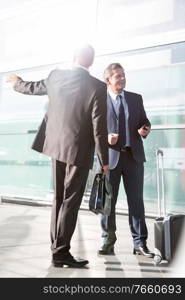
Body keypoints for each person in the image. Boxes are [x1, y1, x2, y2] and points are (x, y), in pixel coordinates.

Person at [7, 44, 109, 268]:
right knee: (70, 202)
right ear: (91, 62)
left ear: (73, 57)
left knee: (59, 199)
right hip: (78, 150)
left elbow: (32, 88)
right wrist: (105, 160)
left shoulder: (56, 76)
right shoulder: (97, 86)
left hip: (55, 146)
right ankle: (61, 252)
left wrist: (17, 83)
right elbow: (99, 127)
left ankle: (57, 247)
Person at [98, 63, 153, 257]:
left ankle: (139, 243)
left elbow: (144, 121)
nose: (122, 78)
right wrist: (106, 138)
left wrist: (145, 128)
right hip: (110, 159)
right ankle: (107, 241)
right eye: (117, 76)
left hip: (133, 157)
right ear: (108, 81)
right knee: (108, 203)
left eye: (123, 75)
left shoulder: (135, 98)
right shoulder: (99, 101)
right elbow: (91, 130)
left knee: (136, 202)